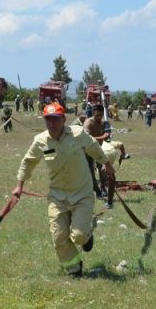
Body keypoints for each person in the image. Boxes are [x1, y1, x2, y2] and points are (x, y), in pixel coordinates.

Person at [13, 102, 113, 277]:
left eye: (56, 119)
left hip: (82, 193)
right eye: (48, 119)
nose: (52, 123)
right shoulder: (41, 141)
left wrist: (106, 163)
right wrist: (19, 185)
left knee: (79, 236)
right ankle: (74, 268)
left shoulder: (78, 134)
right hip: (57, 196)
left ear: (63, 119)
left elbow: (93, 147)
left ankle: (87, 237)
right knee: (59, 237)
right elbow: (28, 162)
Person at [83, 105, 110, 199]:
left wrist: (100, 138)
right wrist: (101, 137)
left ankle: (103, 188)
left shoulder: (104, 122)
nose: (99, 117)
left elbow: (107, 134)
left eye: (101, 115)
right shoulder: (88, 123)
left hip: (99, 149)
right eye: (97, 115)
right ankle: (97, 190)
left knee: (102, 169)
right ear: (93, 113)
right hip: (88, 150)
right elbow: (86, 138)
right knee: (90, 172)